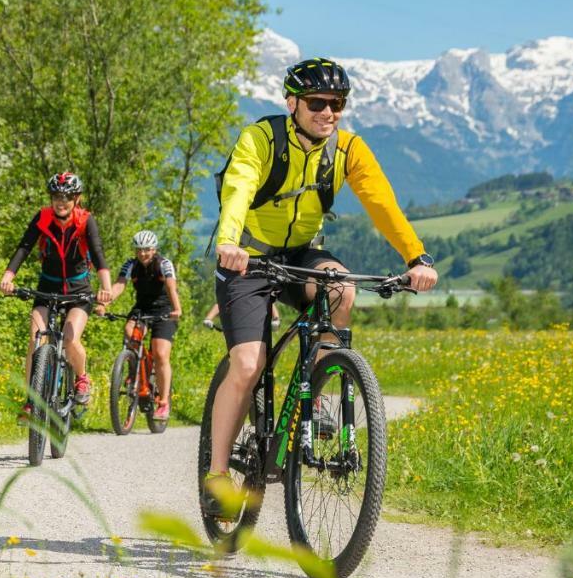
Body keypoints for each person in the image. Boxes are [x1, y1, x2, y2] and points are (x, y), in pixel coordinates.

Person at [204, 57, 439, 518]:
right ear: (291, 102)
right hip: (248, 256)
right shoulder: (262, 139)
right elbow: (238, 188)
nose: (328, 112)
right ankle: (215, 475)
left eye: (337, 104)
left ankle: (319, 391)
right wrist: (229, 242)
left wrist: (416, 257)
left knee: (341, 287)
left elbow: (382, 205)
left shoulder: (348, 150)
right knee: (248, 364)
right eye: (317, 103)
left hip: (301, 252)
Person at [0, 172, 112, 419]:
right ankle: (31, 401)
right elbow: (24, 247)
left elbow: (99, 254)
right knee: (35, 339)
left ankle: (81, 379)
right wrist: (8, 276)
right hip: (47, 288)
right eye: (56, 196)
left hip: (78, 291)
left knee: (71, 340)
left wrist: (106, 289)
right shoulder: (43, 217)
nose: (61, 201)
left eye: (67, 197)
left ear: (77, 198)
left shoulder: (85, 220)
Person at [102, 230, 182, 420]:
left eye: (146, 250)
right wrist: (104, 303)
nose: (143, 254)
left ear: (154, 249)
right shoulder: (131, 265)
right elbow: (120, 285)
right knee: (129, 332)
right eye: (139, 250)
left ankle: (163, 403)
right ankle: (135, 369)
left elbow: (171, 286)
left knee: (161, 353)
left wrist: (177, 309)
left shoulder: (164, 264)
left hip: (164, 309)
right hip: (142, 308)